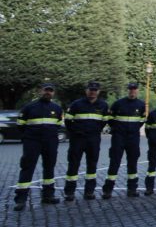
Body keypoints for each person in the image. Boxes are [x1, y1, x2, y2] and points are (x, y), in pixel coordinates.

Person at [13, 83, 64, 211]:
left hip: (50, 142)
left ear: (53, 93)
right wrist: (30, 136)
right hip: (32, 141)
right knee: (27, 167)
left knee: (49, 168)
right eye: (46, 90)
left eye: (50, 91)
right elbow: (20, 125)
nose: (48, 92)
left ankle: (48, 195)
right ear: (40, 91)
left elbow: (59, 125)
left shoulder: (57, 108)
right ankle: (21, 199)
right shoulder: (29, 107)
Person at [63, 81, 109, 201]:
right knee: (73, 165)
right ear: (86, 91)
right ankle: (69, 192)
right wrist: (75, 132)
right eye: (90, 90)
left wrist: (94, 130)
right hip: (77, 139)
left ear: (98, 92)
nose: (92, 92)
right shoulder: (76, 104)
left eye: (95, 90)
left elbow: (104, 121)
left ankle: (89, 191)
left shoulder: (103, 105)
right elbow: (68, 121)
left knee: (92, 166)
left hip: (93, 139)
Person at [103, 82, 146, 198]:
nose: (132, 91)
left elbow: (142, 120)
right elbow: (110, 119)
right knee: (114, 163)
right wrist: (117, 129)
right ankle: (108, 190)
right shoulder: (118, 104)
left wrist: (132, 129)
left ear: (137, 90)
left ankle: (132, 189)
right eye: (130, 89)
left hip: (133, 138)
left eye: (134, 89)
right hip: (119, 138)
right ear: (127, 90)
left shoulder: (141, 105)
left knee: (132, 164)